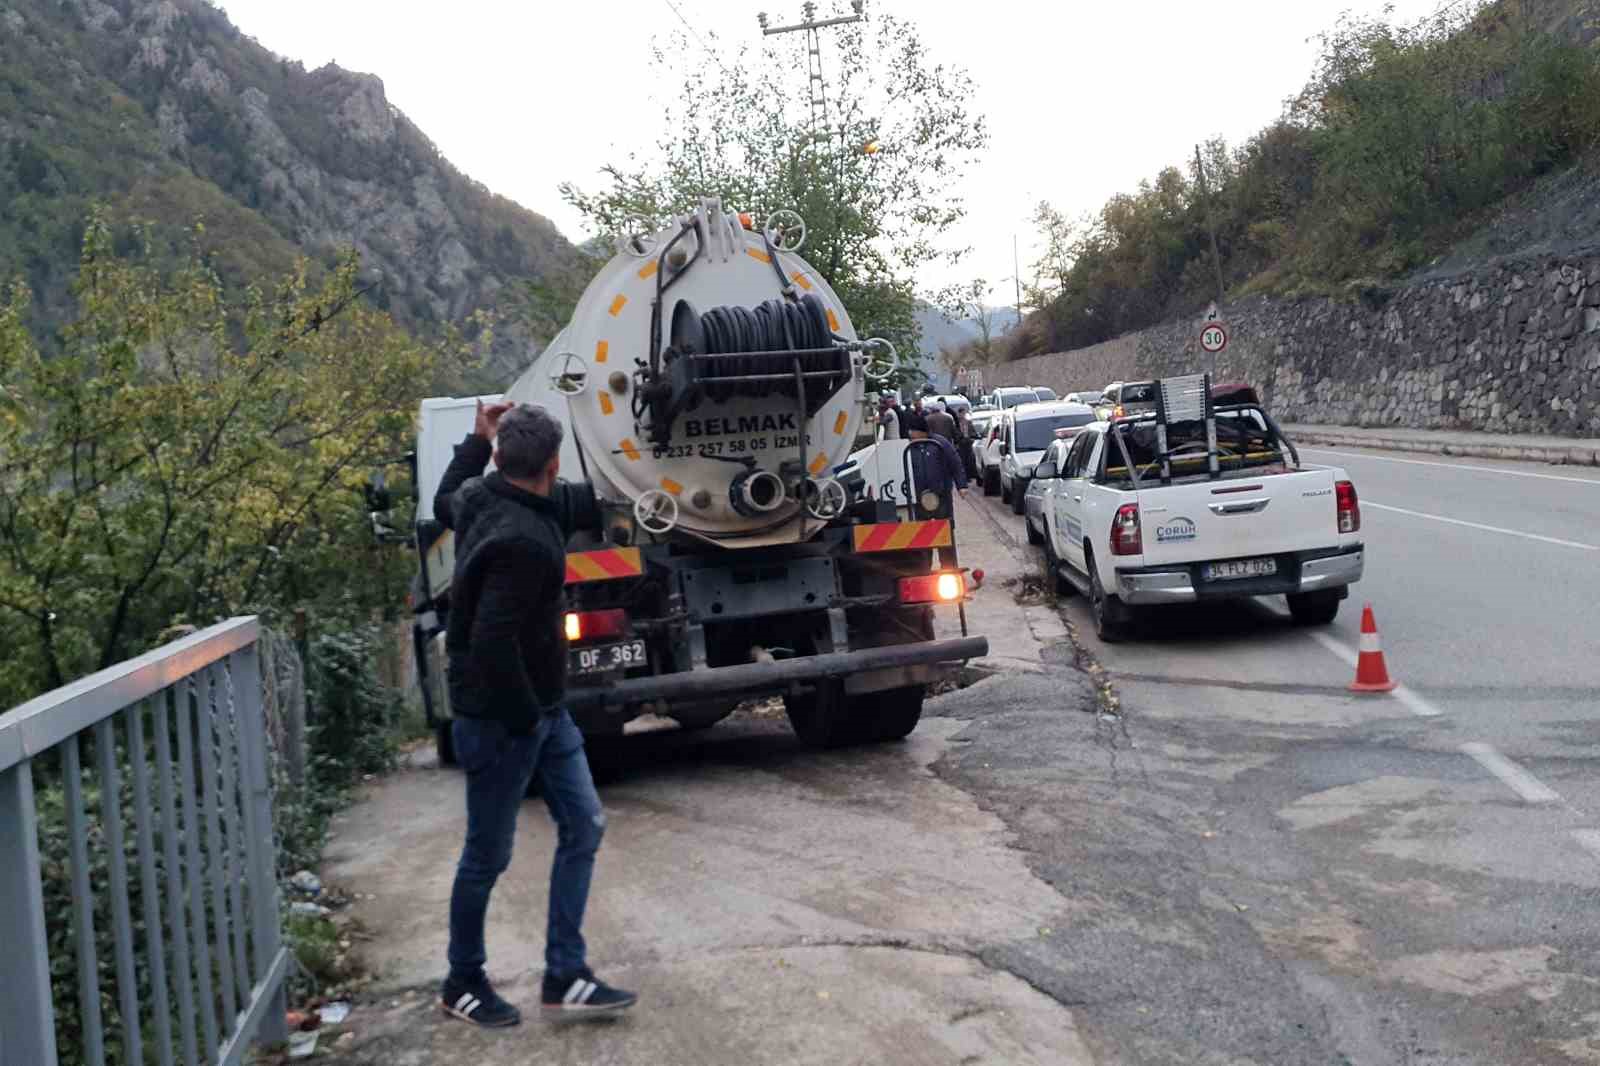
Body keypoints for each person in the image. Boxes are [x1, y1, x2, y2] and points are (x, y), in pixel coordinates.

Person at [433, 400, 637, 1028]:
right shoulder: (525, 543)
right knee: (487, 855)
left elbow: (444, 498)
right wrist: (528, 721)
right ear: (552, 464)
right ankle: (462, 980)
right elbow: (493, 643)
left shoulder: (477, 497)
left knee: (585, 824)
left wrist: (473, 440)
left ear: (499, 458)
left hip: (542, 709)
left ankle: (565, 974)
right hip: (505, 717)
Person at [901, 410, 969, 520]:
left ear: (921, 431)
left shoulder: (940, 443)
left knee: (944, 523)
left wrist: (961, 486)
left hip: (941, 493)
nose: (910, 433)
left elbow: (955, 463)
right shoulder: (909, 447)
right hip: (918, 496)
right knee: (922, 527)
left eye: (912, 430)